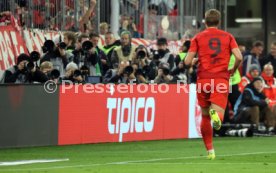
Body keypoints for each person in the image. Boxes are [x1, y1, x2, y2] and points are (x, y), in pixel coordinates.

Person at [184, 9, 243, 160]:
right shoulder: (228, 36)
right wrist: (233, 69)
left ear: (205, 21)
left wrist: (196, 61)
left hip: (203, 80)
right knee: (217, 120)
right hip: (220, 79)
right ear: (219, 21)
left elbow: (187, 62)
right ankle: (215, 116)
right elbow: (239, 57)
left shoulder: (197, 37)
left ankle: (210, 151)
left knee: (204, 117)